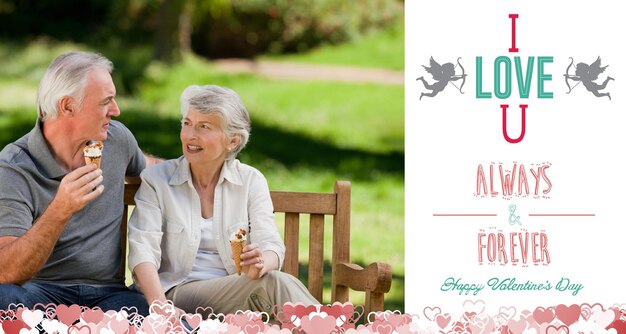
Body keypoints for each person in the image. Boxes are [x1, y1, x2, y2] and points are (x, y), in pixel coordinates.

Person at [128, 85, 318, 318]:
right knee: (274, 286)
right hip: (176, 294)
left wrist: (260, 265)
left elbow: (271, 245)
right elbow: (142, 250)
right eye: (186, 123)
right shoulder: (157, 180)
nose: (190, 135)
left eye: (203, 126)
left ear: (233, 141)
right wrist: (160, 306)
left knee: (271, 284)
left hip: (237, 293)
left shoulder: (250, 181)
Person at [0, 51, 159, 315]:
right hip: (39, 292)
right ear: (68, 106)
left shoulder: (116, 140)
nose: (116, 110)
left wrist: (215, 168)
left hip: (109, 296)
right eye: (106, 101)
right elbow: (6, 271)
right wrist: (60, 209)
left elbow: (155, 169)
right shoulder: (14, 168)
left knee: (151, 315)